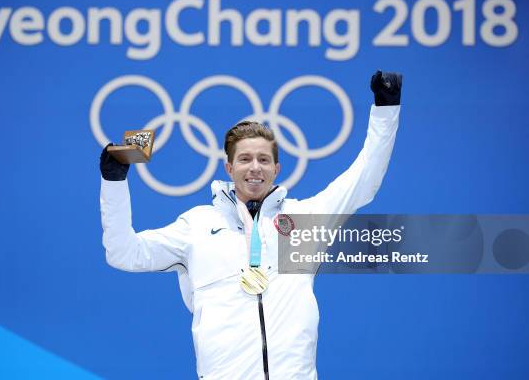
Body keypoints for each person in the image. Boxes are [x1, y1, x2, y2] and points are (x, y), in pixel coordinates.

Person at [99, 70, 402, 379]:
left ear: (276, 169)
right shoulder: (197, 226)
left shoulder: (304, 220)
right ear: (229, 167)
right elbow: (123, 252)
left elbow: (364, 179)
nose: (254, 167)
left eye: (263, 160)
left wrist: (386, 109)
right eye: (245, 159)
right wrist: (113, 181)